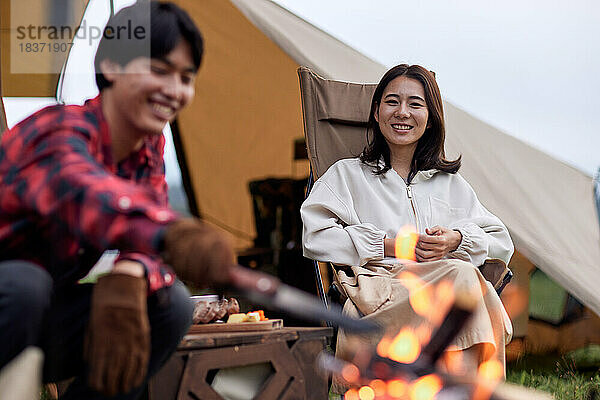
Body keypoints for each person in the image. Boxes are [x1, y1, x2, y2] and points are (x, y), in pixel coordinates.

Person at [0, 2, 235, 399]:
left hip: (35, 319)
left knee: (167, 305)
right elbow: (88, 193)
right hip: (14, 301)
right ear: (110, 66)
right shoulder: (58, 131)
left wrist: (132, 271)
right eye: (159, 71)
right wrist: (177, 236)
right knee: (27, 283)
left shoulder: (148, 149)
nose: (174, 90)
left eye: (186, 77)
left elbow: (145, 224)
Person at [301, 64, 514, 393]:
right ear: (376, 111)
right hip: (379, 294)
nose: (403, 113)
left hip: (443, 295)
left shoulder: (451, 185)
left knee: (461, 278)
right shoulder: (347, 175)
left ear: (430, 116)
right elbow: (314, 236)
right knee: (464, 280)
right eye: (392, 102)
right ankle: (471, 390)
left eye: (415, 104)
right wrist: (386, 246)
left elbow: (502, 244)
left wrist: (456, 240)